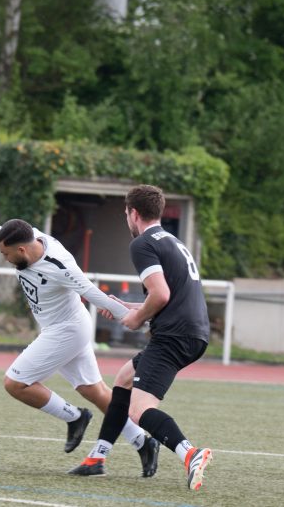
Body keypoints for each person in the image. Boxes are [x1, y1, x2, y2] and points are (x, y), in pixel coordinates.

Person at [0, 218, 160, 477]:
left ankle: (74, 417)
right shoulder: (21, 235)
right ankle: (143, 442)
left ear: (22, 250)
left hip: (67, 331)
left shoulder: (59, 265)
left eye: (6, 254)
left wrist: (144, 323)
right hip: (65, 327)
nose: (5, 258)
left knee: (15, 383)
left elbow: (96, 296)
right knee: (95, 391)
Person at [69, 184, 213, 491]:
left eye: (126, 214)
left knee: (139, 410)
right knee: (123, 380)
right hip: (191, 332)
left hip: (174, 335)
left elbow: (161, 295)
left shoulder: (142, 243)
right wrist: (127, 306)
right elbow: (169, 297)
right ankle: (97, 457)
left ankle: (190, 453)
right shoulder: (172, 241)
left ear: (133, 213)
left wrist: (135, 318)